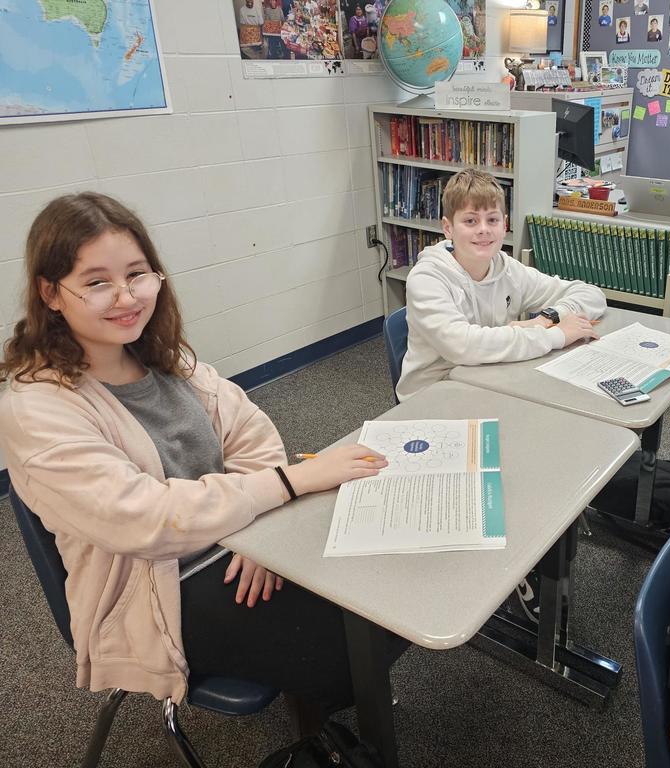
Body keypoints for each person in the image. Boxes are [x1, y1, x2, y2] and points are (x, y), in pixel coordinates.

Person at [0, 192, 404, 725]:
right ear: (52, 293)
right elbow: (143, 518)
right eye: (96, 282)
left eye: (138, 274)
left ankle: (331, 702)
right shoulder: (37, 404)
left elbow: (251, 433)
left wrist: (255, 530)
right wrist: (282, 490)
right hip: (156, 587)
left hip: (231, 540)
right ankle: (336, 720)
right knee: (350, 635)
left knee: (370, 559)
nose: (126, 296)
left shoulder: (163, 357)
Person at [397, 169, 606, 402]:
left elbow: (592, 294)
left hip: (491, 379)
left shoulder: (507, 269)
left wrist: (549, 317)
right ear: (448, 228)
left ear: (504, 225)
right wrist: (556, 335)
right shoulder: (427, 278)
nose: (484, 229)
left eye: (492, 219)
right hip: (433, 395)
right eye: (470, 220)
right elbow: (463, 345)